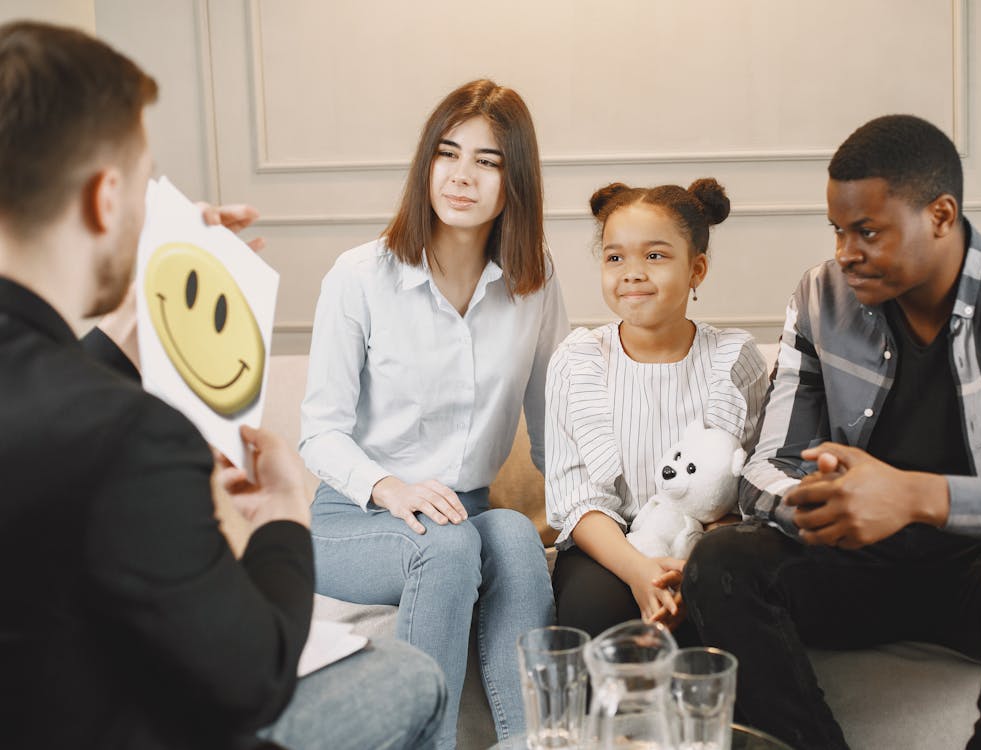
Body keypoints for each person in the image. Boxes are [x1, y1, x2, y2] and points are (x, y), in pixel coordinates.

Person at [0, 21, 444, 750]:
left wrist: (145, 318)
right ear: (106, 199)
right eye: (145, 187)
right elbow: (252, 682)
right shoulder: (130, 437)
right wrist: (283, 514)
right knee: (410, 675)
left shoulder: (75, 403)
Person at [682, 114, 981, 750]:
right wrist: (829, 504)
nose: (844, 253)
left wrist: (914, 497)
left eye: (867, 232)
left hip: (980, 568)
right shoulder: (818, 296)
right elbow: (765, 465)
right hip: (855, 562)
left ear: (941, 215)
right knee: (722, 560)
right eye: (837, 230)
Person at [299, 79, 569, 748]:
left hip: (464, 512)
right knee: (445, 545)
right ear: (426, 163)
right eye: (447, 154)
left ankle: (533, 744)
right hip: (355, 519)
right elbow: (319, 430)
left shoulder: (534, 282)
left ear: (516, 181)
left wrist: (595, 512)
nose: (461, 176)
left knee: (509, 536)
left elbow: (553, 427)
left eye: (488, 161)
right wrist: (391, 489)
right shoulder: (359, 277)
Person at [545, 179, 770, 641]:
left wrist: (690, 564)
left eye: (654, 256)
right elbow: (576, 499)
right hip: (607, 544)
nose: (631, 272)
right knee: (593, 613)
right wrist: (638, 570)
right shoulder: (579, 361)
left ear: (696, 270)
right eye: (614, 257)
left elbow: (745, 483)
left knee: (720, 604)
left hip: (703, 540)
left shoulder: (733, 359)